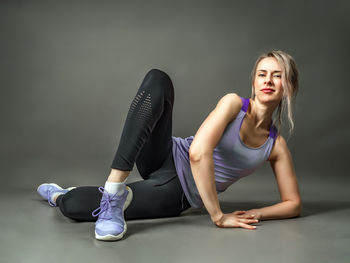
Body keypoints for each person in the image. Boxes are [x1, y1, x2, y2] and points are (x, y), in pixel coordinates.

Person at [37, 50, 302, 241]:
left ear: (288, 86)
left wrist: (255, 213)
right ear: (254, 82)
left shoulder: (275, 146)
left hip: (178, 193)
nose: (267, 81)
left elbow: (293, 204)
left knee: (73, 205)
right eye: (262, 74)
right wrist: (218, 216)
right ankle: (114, 189)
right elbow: (198, 153)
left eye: (277, 76)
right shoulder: (234, 104)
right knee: (158, 79)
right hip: (167, 154)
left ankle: (62, 193)